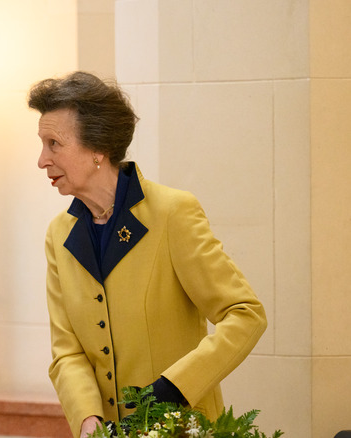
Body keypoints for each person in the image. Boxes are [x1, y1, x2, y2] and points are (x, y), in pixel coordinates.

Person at [28, 71, 267, 438]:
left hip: (185, 430)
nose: (42, 160)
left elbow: (245, 315)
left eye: (54, 144)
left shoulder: (173, 213)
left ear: (98, 148)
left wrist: (175, 388)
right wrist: (88, 419)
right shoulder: (59, 235)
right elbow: (67, 351)